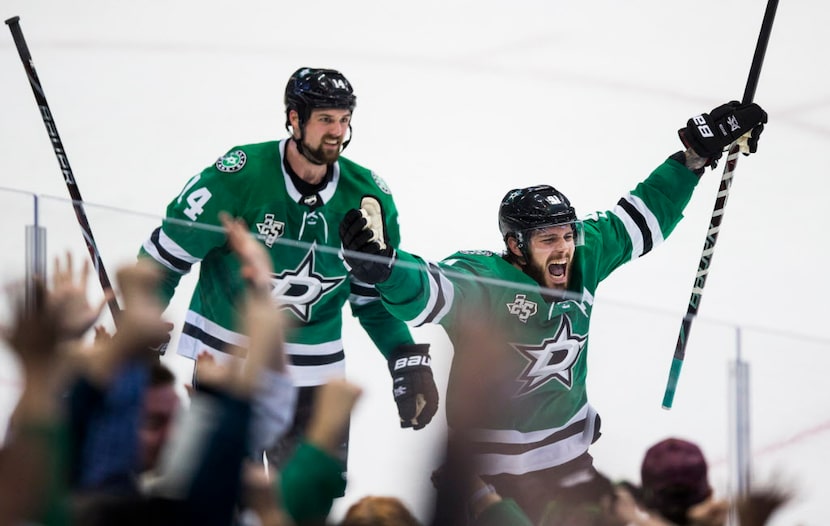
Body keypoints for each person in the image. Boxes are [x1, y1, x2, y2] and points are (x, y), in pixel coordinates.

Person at [339, 100, 768, 523]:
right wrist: (387, 268)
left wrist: (692, 157)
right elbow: (429, 288)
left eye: (565, 235)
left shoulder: (584, 254)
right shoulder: (485, 280)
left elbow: (638, 217)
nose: (563, 247)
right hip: (488, 477)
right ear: (515, 246)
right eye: (547, 240)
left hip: (569, 466)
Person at [137, 67, 439, 471]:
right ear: (294, 119)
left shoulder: (367, 196)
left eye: (344, 119)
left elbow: (371, 298)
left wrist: (403, 354)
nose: (337, 131)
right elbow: (165, 257)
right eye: (325, 119)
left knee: (307, 506)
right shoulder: (240, 175)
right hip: (229, 359)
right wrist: (139, 322)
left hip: (316, 370)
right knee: (224, 497)